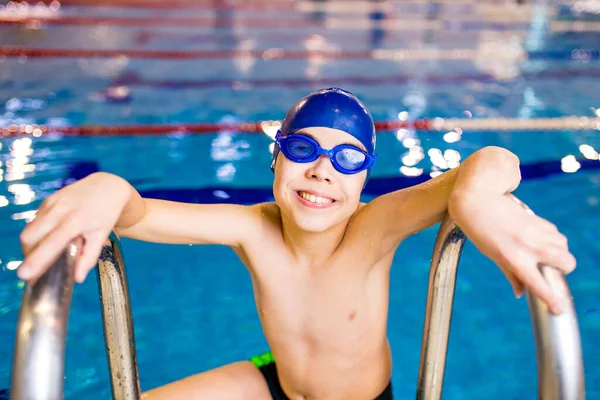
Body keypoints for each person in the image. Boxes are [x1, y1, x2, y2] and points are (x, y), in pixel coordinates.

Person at [16, 88, 576, 400]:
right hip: (275, 380)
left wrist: (473, 201)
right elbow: (138, 216)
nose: (322, 172)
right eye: (304, 149)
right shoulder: (249, 228)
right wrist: (106, 189)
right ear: (276, 157)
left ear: (362, 181)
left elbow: (494, 160)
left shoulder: (372, 229)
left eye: (348, 158)